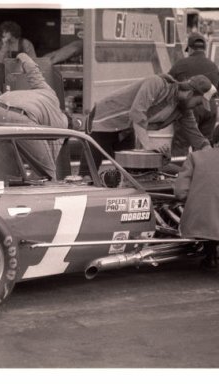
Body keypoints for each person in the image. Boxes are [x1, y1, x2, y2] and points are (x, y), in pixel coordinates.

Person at [85, 73, 217, 170]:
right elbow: (137, 114)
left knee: (130, 172)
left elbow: (196, 136)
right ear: (190, 93)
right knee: (89, 173)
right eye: (199, 102)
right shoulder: (157, 84)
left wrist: (213, 157)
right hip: (102, 122)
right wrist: (149, 145)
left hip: (125, 129)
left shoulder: (183, 110)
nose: (197, 107)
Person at [0, 52, 69, 180]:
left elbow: (34, 74)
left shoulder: (48, 92)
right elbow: (49, 158)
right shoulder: (62, 125)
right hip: (21, 117)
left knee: (1, 175)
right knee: (47, 174)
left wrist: (23, 56)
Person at [169, 32, 219, 155]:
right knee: (204, 144)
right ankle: (203, 172)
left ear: (190, 49)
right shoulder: (213, 66)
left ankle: (179, 172)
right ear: (204, 49)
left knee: (181, 145)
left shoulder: (181, 64)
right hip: (209, 109)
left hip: (190, 108)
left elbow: (168, 85)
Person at [174, 144, 219, 270]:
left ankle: (211, 256)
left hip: (202, 218)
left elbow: (180, 192)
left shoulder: (195, 156)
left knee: (208, 216)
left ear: (214, 142)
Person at [0, 21, 36, 98]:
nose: (3, 34)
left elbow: (33, 59)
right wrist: (4, 45)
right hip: (12, 70)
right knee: (0, 66)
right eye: (3, 32)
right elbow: (0, 60)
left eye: (6, 32)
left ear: (12, 32)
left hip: (24, 69)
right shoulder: (7, 44)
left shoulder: (25, 43)